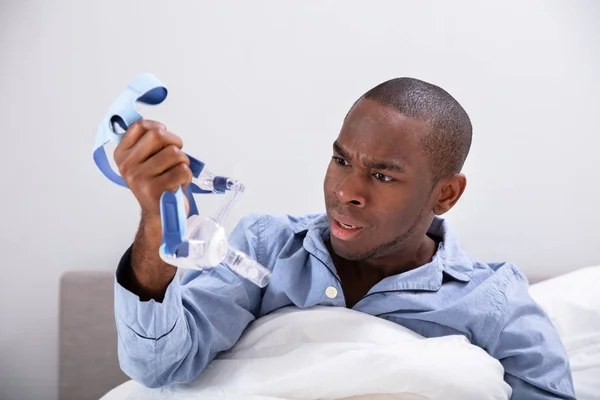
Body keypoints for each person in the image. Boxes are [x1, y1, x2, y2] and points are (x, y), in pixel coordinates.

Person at [112, 77, 576, 399]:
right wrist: (156, 220)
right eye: (341, 161)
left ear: (446, 194)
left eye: (382, 175)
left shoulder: (493, 303)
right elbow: (159, 368)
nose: (345, 191)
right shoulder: (264, 246)